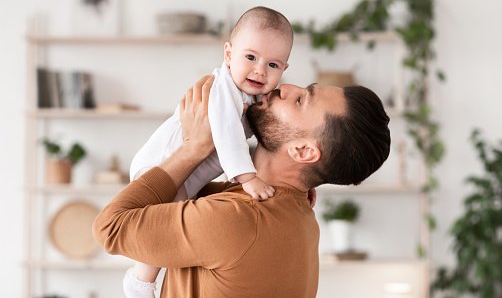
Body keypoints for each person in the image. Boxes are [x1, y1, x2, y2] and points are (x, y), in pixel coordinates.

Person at [93, 74, 391, 298]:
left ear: (303, 152)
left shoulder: (239, 219)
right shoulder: (297, 215)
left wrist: (194, 147)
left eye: (301, 100)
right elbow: (184, 201)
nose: (285, 87)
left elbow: (110, 228)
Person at [124, 6, 294, 297]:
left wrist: (292, 178)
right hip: (163, 164)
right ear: (228, 54)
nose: (259, 70)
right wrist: (248, 178)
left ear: (283, 69)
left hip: (188, 175)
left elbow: (264, 134)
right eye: (250, 57)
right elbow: (228, 134)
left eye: (273, 65)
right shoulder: (223, 89)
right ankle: (140, 280)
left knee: (176, 223)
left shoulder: (254, 97)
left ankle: (148, 278)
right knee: (169, 222)